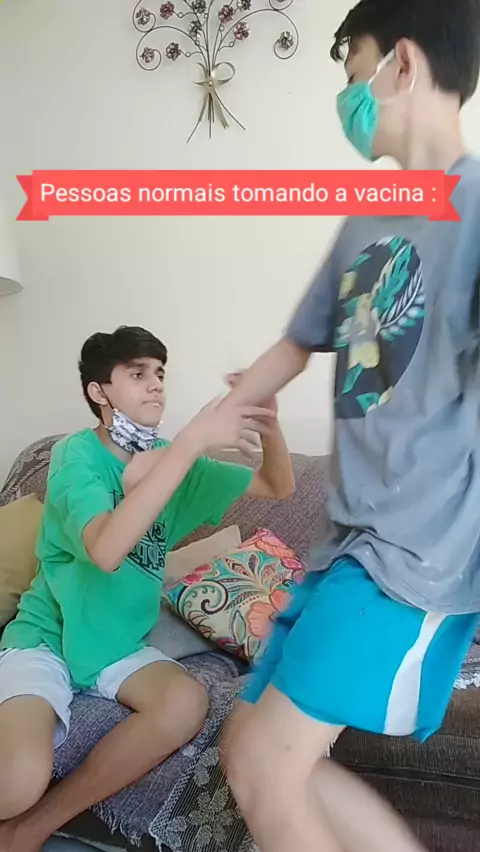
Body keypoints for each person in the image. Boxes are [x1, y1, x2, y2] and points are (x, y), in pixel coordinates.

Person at [221, 2, 480, 851]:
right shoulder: (368, 215)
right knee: (246, 746)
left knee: (264, 768)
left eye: (351, 70)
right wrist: (200, 430)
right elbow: (296, 343)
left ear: (401, 63)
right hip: (344, 547)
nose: (346, 97)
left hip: (415, 556)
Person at [0, 325, 294, 852]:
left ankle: (36, 826)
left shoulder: (171, 460)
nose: (156, 383)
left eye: (159, 372)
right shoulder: (74, 456)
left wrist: (268, 421)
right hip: (47, 638)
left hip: (116, 644)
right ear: (99, 391)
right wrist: (192, 440)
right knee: (17, 781)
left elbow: (278, 485)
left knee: (184, 702)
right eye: (137, 373)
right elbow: (106, 549)